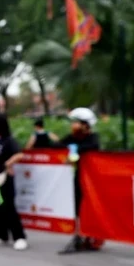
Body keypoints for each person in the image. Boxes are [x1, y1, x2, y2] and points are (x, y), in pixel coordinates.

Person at [56, 107, 102, 254]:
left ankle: (93, 238)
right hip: (77, 178)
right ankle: (79, 235)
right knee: (76, 206)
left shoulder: (93, 138)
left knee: (90, 207)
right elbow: (58, 146)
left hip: (92, 181)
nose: (73, 125)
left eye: (77, 122)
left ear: (85, 125)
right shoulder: (72, 137)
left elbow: (92, 147)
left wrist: (76, 150)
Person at [0, 112, 28, 250]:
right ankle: (1, 235)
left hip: (6, 177)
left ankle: (19, 237)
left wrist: (8, 164)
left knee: (9, 207)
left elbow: (19, 154)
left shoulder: (9, 140)